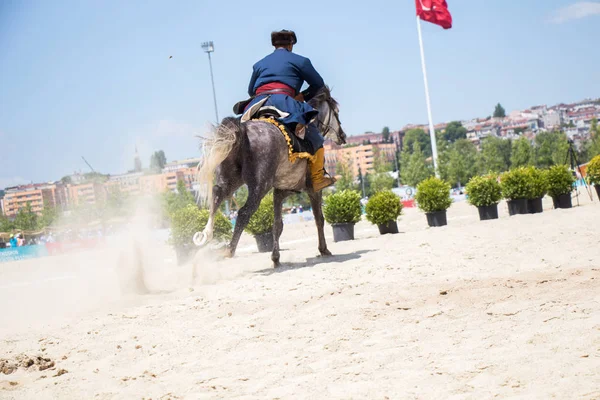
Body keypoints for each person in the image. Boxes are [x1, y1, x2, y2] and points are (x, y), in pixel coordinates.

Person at [244, 29, 335, 192]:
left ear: (274, 44)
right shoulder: (301, 61)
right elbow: (319, 85)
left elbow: (251, 91)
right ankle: (318, 178)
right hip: (284, 103)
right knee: (315, 135)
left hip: (257, 105)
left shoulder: (259, 64)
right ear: (291, 44)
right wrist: (301, 96)